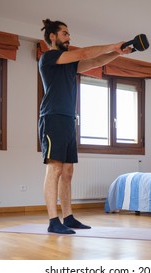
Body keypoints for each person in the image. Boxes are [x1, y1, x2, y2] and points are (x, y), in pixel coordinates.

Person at [38, 19, 131, 234]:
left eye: (69, 34)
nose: (69, 37)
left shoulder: (69, 64)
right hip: (52, 118)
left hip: (68, 119)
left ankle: (68, 217)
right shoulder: (49, 57)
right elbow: (83, 54)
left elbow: (94, 62)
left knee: (68, 171)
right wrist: (111, 44)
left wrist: (118, 52)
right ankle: (53, 221)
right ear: (52, 37)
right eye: (64, 34)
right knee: (55, 168)